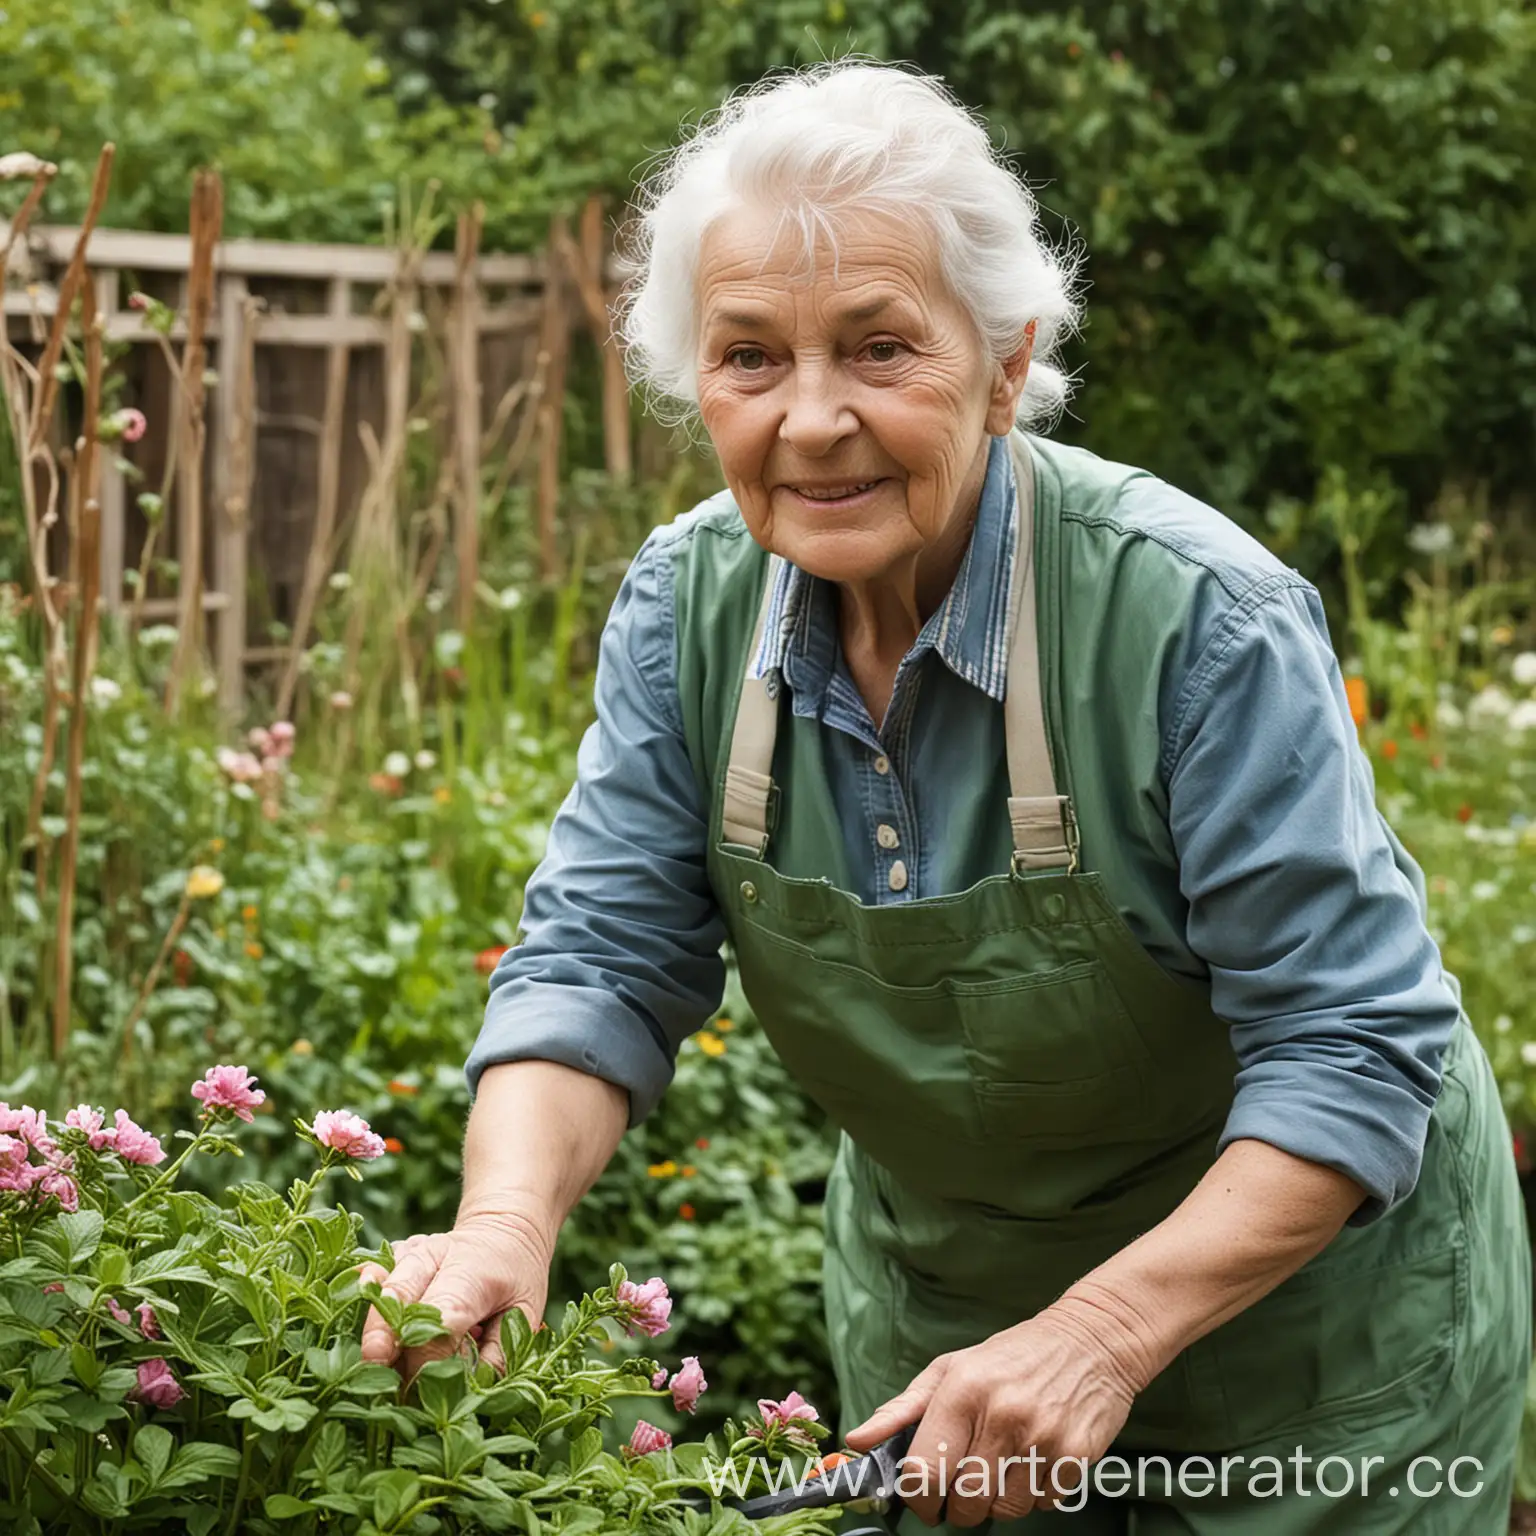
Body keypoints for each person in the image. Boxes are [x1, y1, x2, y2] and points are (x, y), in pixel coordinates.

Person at [359, 61, 1531, 1532]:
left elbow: (1353, 1042)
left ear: (1001, 358)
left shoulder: (1193, 618)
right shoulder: (686, 610)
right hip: (950, 1349)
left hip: (1314, 1358)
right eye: (749, 358)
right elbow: (602, 958)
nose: (811, 420)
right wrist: (502, 1229)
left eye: (879, 348)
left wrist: (1101, 1336)